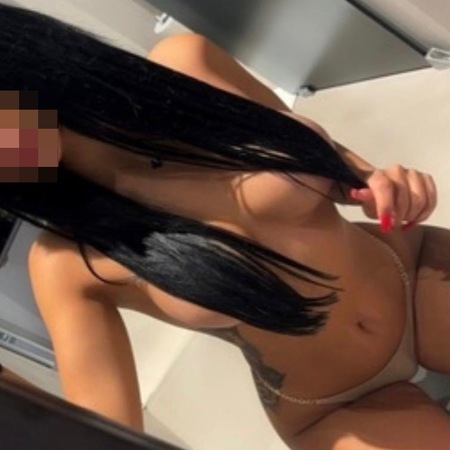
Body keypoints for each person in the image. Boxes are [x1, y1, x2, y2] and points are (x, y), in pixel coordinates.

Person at [0, 4, 449, 449]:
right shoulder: (65, 263)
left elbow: (344, 169)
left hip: (411, 274)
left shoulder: (188, 65)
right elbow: (103, 437)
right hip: (336, 405)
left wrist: (381, 182)